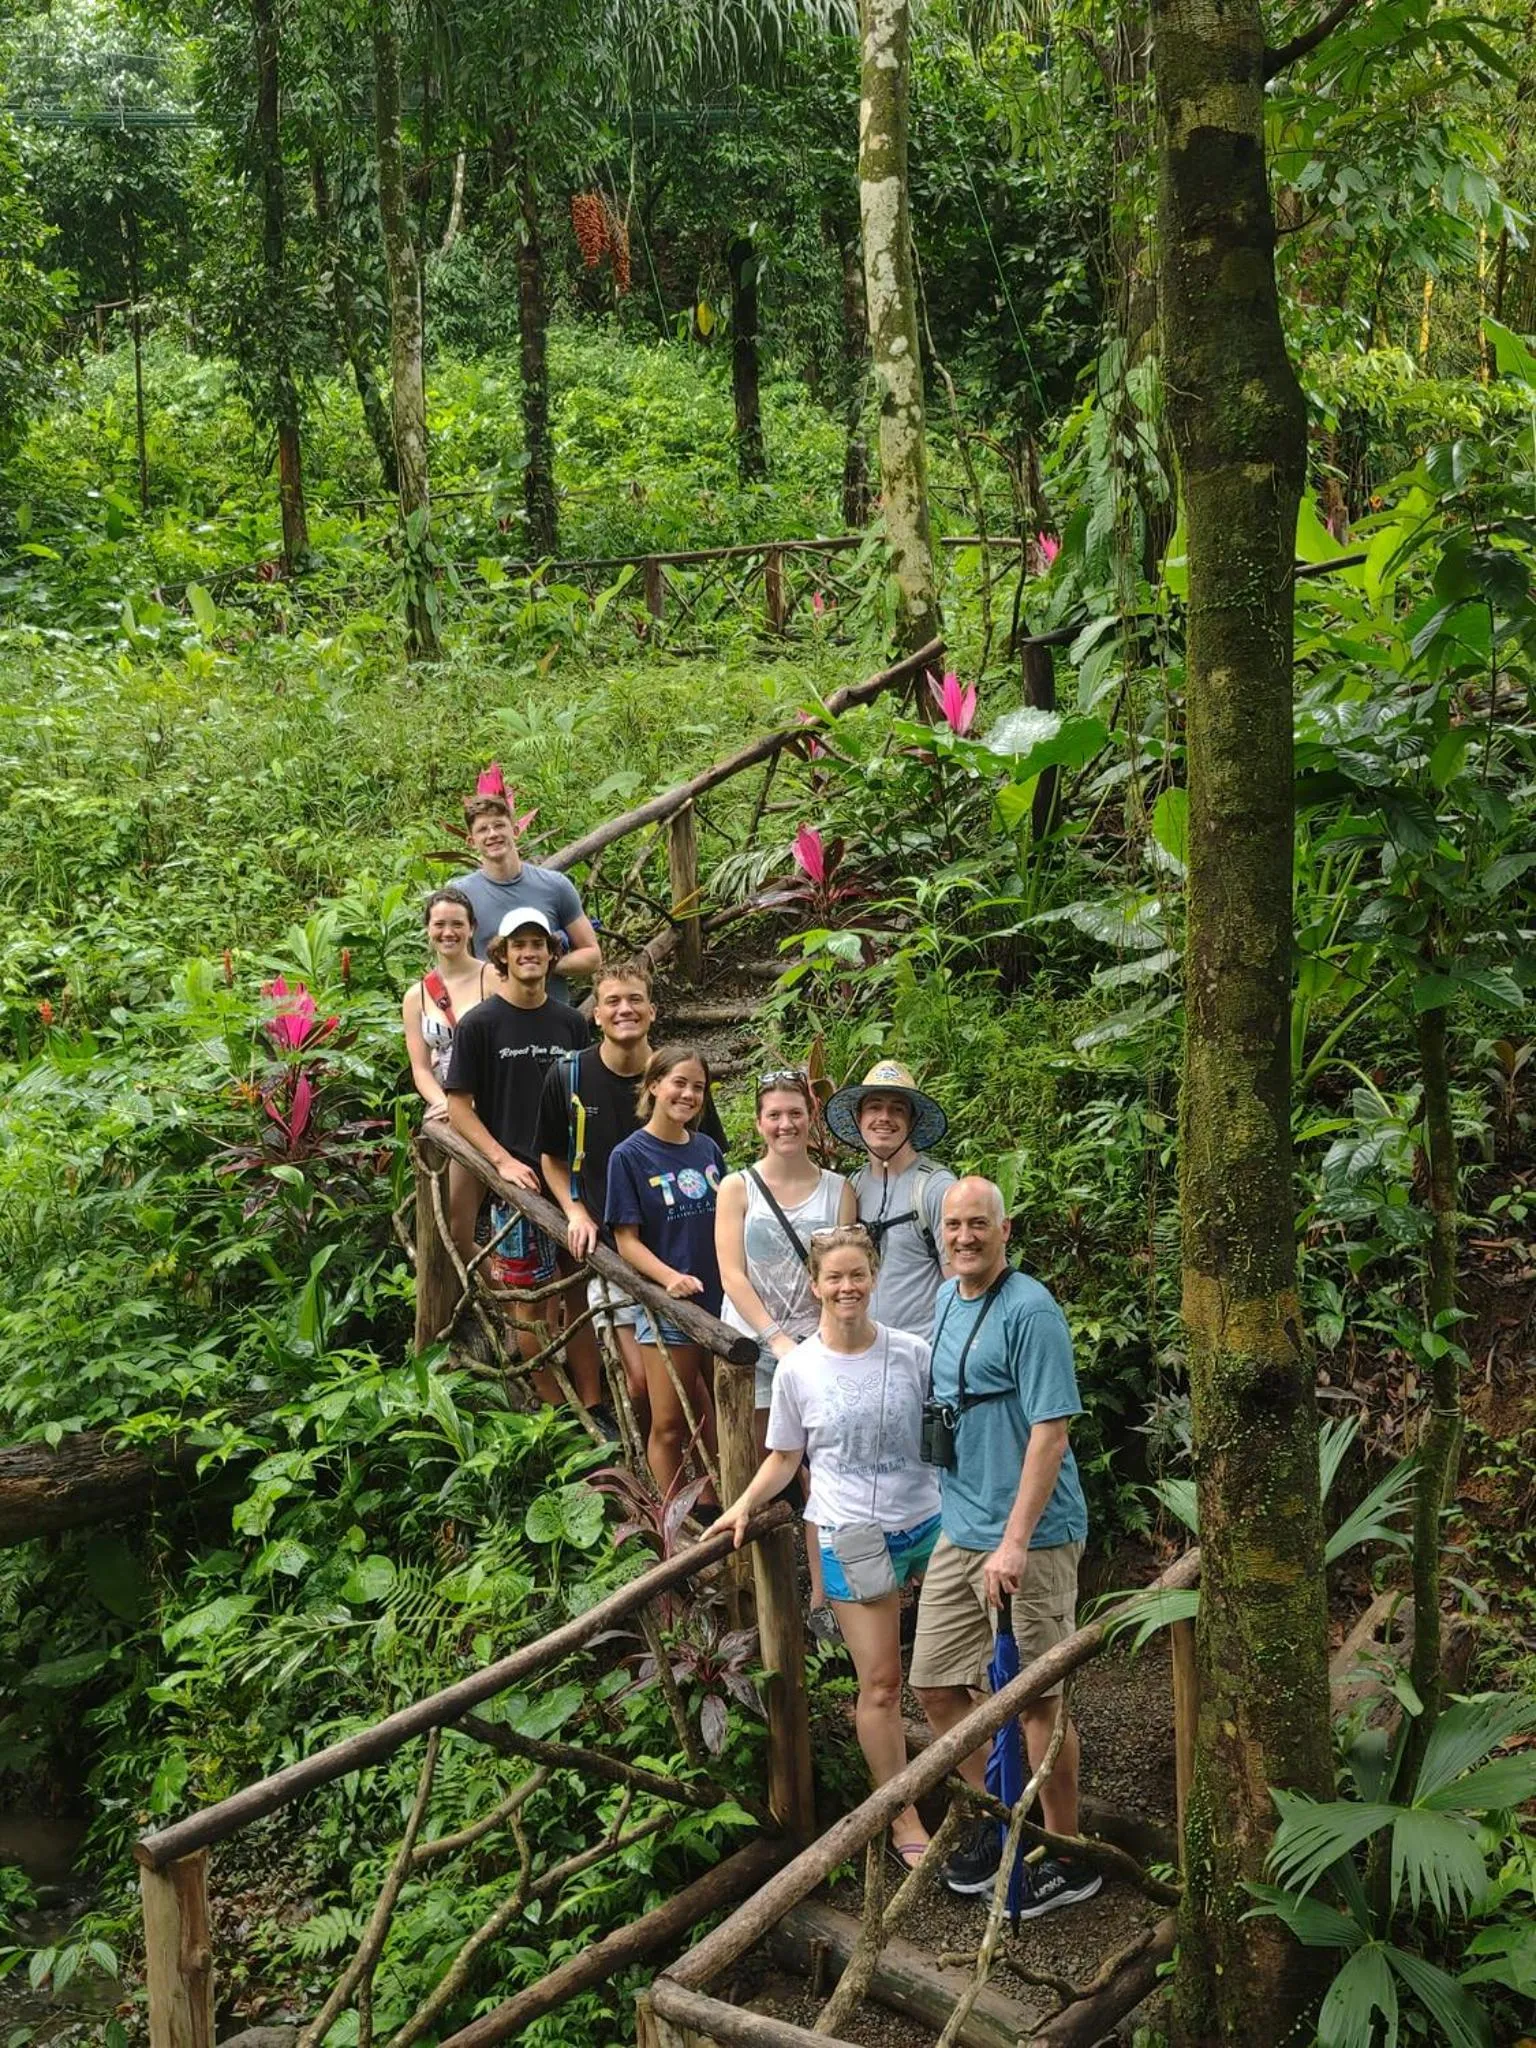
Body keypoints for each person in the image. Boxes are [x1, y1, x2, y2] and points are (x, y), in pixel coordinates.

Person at [717, 1225, 941, 1871]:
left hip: (930, 1520)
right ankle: (900, 1812)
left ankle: (983, 1788)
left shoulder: (913, 1352)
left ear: (874, 1278)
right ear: (815, 1285)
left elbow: (942, 1434)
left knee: (955, 1673)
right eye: (834, 1277)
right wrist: (742, 1505)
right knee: (881, 1683)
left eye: (857, 1275)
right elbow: (786, 1457)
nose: (847, 1287)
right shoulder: (798, 1368)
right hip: (852, 1535)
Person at [909, 1176, 1100, 1919]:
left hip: (1032, 1538)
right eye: (953, 1225)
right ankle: (999, 1820)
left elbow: (1051, 1433)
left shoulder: (1031, 1310)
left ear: (1004, 1229)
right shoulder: (944, 1301)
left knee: (1037, 1701)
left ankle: (1067, 1854)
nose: (964, 1237)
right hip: (961, 1528)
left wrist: (1015, 1542)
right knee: (935, 1685)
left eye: (977, 1224)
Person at [537, 957, 727, 1436]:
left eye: (636, 999)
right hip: (617, 1250)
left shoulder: (681, 1077)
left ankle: (709, 1469)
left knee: (698, 1377)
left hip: (683, 1250)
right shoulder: (569, 1076)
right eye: (613, 1001)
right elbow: (551, 1156)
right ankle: (655, 1459)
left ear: (652, 1011)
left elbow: (710, 1156)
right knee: (643, 1383)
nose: (625, 1009)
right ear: (597, 1014)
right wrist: (575, 1211)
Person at [443, 907, 601, 1410]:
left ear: (553, 955)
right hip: (517, 1188)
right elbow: (458, 1106)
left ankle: (593, 1403)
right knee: (530, 1302)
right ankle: (555, 1407)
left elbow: (583, 1096)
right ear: (503, 956)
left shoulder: (570, 1023)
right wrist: (500, 1162)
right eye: (519, 945)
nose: (529, 953)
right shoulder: (480, 1024)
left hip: (571, 1181)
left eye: (538, 945)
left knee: (578, 1292)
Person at [715, 1069, 854, 1625]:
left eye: (795, 1112)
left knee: (819, 1472)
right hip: (752, 1348)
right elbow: (731, 1273)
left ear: (811, 1116)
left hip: (818, 1346)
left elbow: (843, 1271)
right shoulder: (737, 1187)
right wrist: (775, 1338)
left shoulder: (838, 1190)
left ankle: (823, 1599)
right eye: (774, 1114)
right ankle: (755, 1595)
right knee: (758, 1464)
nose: (785, 1124)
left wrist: (819, 1343)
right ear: (758, 1123)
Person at [606, 1046, 725, 1502]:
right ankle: (676, 1519)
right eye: (679, 1083)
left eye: (698, 1087)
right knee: (670, 1423)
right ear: (654, 1085)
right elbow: (626, 1241)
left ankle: (721, 1501)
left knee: (720, 1412)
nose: (688, 1094)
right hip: (670, 1308)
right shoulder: (629, 1156)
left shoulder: (707, 1148)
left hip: (720, 1303)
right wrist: (669, 1278)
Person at [825, 1060, 955, 1337]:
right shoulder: (854, 1186)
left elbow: (961, 1285)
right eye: (874, 1107)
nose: (884, 1117)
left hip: (923, 1351)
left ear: (912, 1122)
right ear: (859, 1118)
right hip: (864, 1348)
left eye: (897, 1109)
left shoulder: (935, 1188)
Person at [402, 886, 495, 1256]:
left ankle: (526, 1290)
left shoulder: (495, 978)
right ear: (428, 928)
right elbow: (421, 1068)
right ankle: (502, 1290)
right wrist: (445, 1103)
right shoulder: (417, 995)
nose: (448, 932)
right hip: (453, 1113)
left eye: (457, 924)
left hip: (495, 1104)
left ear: (472, 928)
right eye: (439, 924)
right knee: (456, 1232)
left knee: (517, 1214)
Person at [453, 787, 601, 1007]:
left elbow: (592, 956)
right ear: (471, 841)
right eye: (483, 829)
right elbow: (454, 967)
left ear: (515, 830)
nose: (492, 834)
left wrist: (542, 963)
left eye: (499, 825)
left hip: (552, 1015)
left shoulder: (555, 885)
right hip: (491, 1017)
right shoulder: (460, 896)